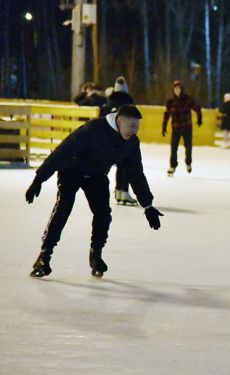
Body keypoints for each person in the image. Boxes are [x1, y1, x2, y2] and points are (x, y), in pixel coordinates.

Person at [25, 105, 164, 278]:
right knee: (63, 208)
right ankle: (44, 256)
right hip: (71, 170)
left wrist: (148, 205)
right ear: (119, 122)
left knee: (103, 213)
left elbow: (136, 174)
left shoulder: (131, 143)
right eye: (131, 126)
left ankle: (96, 255)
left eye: (137, 126)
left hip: (96, 174)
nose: (134, 131)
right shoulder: (93, 129)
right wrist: (39, 179)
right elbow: (62, 152)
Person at [101, 76, 138, 205]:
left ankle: (117, 191)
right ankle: (123, 191)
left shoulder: (106, 106)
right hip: (123, 140)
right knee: (125, 164)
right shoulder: (129, 107)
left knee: (108, 167)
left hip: (107, 142)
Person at [162, 80, 202, 176]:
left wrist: (200, 118)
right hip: (176, 128)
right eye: (175, 89)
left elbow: (197, 108)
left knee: (188, 147)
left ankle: (188, 162)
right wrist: (164, 126)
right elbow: (167, 114)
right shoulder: (170, 102)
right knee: (173, 148)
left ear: (181, 89)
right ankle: (172, 166)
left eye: (178, 89)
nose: (177, 90)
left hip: (187, 127)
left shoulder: (187, 99)